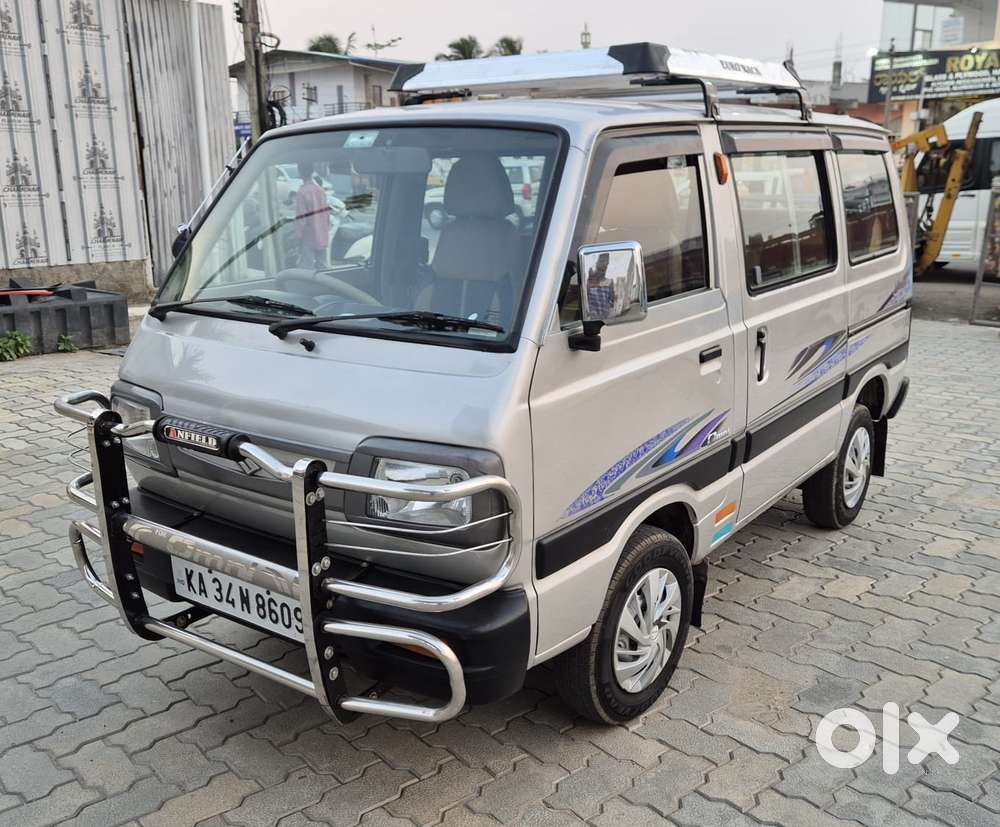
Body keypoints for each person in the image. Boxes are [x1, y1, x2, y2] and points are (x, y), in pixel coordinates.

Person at [294, 162, 330, 269]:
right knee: (323, 266)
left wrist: (298, 236)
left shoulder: (302, 192)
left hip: (309, 236)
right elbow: (327, 213)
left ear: (300, 173)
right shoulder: (320, 190)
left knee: (307, 267)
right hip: (322, 234)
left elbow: (301, 219)